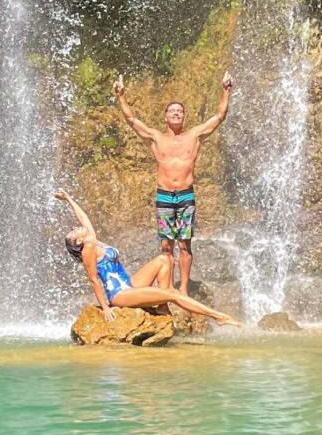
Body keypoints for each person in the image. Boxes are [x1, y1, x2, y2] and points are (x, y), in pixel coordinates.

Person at [112, 71, 232, 294]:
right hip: (164, 196)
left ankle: (184, 289)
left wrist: (226, 90)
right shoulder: (156, 137)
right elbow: (131, 120)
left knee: (185, 245)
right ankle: (166, 286)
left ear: (183, 117)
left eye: (180, 111)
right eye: (172, 111)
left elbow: (219, 116)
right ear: (165, 116)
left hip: (186, 196)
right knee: (166, 245)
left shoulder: (194, 136)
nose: (176, 114)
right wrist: (121, 96)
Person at [55, 190, 239, 327]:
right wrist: (105, 307)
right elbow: (94, 279)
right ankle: (218, 316)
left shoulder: (94, 241)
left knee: (165, 259)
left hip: (129, 284)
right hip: (119, 294)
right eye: (73, 232)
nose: (76, 227)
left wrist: (69, 199)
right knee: (173, 293)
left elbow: (83, 217)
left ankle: (161, 307)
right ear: (77, 241)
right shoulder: (88, 249)